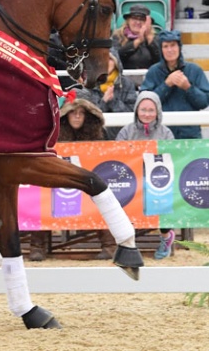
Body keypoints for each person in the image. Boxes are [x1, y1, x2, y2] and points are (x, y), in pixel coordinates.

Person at [29, 92, 113, 261]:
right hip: (60, 182)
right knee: (44, 199)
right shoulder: (53, 136)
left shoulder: (100, 136)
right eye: (73, 112)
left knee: (101, 200)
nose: (77, 116)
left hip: (88, 183)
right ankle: (37, 247)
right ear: (66, 115)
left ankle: (110, 246)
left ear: (87, 116)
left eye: (81, 113)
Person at [116, 91, 176, 259]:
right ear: (136, 110)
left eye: (151, 110)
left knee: (166, 197)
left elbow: (172, 157)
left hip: (157, 180)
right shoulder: (126, 131)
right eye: (143, 110)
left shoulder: (166, 133)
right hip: (132, 180)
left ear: (158, 112)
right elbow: (118, 155)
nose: (147, 114)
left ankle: (166, 237)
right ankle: (126, 244)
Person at [140, 29, 209, 139]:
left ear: (179, 47)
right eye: (165, 46)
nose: (170, 50)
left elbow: (204, 102)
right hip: (160, 133)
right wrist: (166, 85)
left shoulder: (195, 70)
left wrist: (188, 87)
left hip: (190, 134)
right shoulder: (153, 72)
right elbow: (145, 103)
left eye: (173, 45)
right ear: (161, 49)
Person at [81, 48, 137, 140]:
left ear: (116, 62)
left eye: (109, 59)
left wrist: (113, 101)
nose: (106, 62)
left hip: (123, 135)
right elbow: (88, 116)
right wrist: (104, 101)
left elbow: (132, 112)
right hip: (96, 136)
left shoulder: (126, 83)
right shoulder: (89, 84)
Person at [111, 4, 160, 73]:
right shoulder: (118, 36)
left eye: (142, 19)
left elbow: (160, 61)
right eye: (134, 18)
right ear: (128, 20)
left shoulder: (155, 38)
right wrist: (138, 41)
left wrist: (149, 39)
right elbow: (116, 58)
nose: (138, 22)